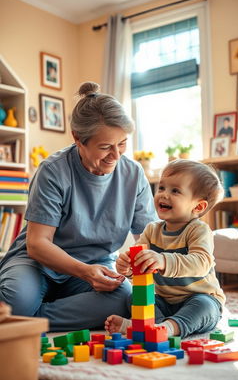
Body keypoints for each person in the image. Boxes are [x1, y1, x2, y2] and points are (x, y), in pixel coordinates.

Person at [0, 81, 157, 331]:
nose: (116, 156)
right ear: (77, 139)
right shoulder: (53, 171)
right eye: (105, 146)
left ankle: (27, 322)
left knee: (126, 299)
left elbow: (149, 237)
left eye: (122, 143)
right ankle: (27, 313)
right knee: (16, 301)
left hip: (97, 264)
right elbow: (37, 244)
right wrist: (84, 272)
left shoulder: (134, 174)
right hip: (38, 263)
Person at [105, 159, 226, 339]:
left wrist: (163, 260)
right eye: (161, 188)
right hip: (165, 301)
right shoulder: (152, 230)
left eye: (175, 191)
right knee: (133, 297)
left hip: (200, 297)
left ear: (198, 206)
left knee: (205, 307)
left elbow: (201, 263)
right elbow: (140, 269)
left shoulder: (198, 230)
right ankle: (149, 326)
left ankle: (169, 328)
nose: (163, 195)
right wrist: (127, 267)